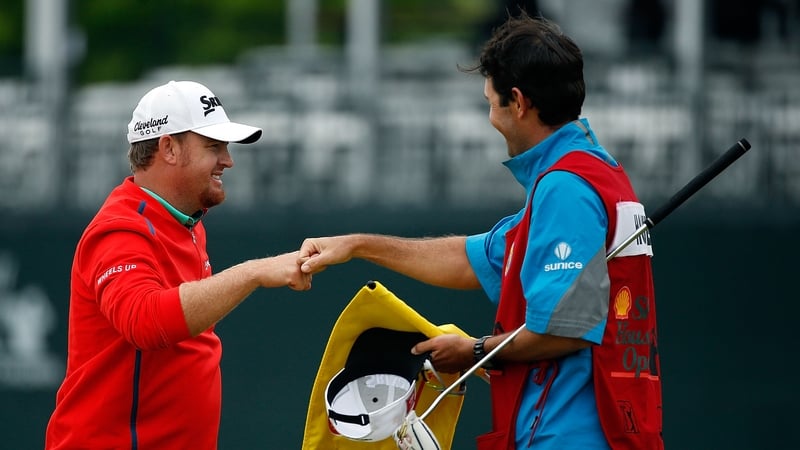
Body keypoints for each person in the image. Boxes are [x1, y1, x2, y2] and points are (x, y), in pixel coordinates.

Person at [298, 12, 663, 450]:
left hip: (570, 435)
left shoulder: (566, 188)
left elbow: (563, 330)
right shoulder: (594, 173)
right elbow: (474, 259)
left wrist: (473, 351)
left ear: (519, 101)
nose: (490, 117)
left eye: (491, 102)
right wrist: (358, 246)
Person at [45, 80, 312, 449]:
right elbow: (144, 321)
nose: (228, 160)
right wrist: (253, 273)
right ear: (168, 148)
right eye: (213, 146)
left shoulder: (185, 223)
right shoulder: (120, 229)